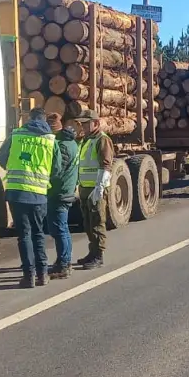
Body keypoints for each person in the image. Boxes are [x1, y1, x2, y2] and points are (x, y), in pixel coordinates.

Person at [0, 107, 62, 289]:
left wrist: (14, 164)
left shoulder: (16, 135)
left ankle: (28, 276)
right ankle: (42, 275)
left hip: (16, 192)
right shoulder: (50, 140)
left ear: (29, 119)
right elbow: (57, 168)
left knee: (23, 235)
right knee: (38, 234)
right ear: (44, 120)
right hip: (38, 194)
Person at [73, 109, 114, 270]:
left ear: (95, 123)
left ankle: (99, 255)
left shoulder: (102, 140)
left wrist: (100, 187)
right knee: (88, 222)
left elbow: (106, 165)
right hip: (85, 187)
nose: (82, 126)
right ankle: (92, 252)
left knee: (97, 221)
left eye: (85, 123)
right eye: (81, 123)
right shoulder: (86, 140)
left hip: (96, 188)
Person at [44, 113, 79, 280]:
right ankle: (63, 261)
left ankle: (64, 264)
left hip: (60, 191)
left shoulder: (62, 145)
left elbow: (57, 170)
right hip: (64, 190)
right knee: (60, 227)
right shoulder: (69, 142)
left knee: (60, 228)